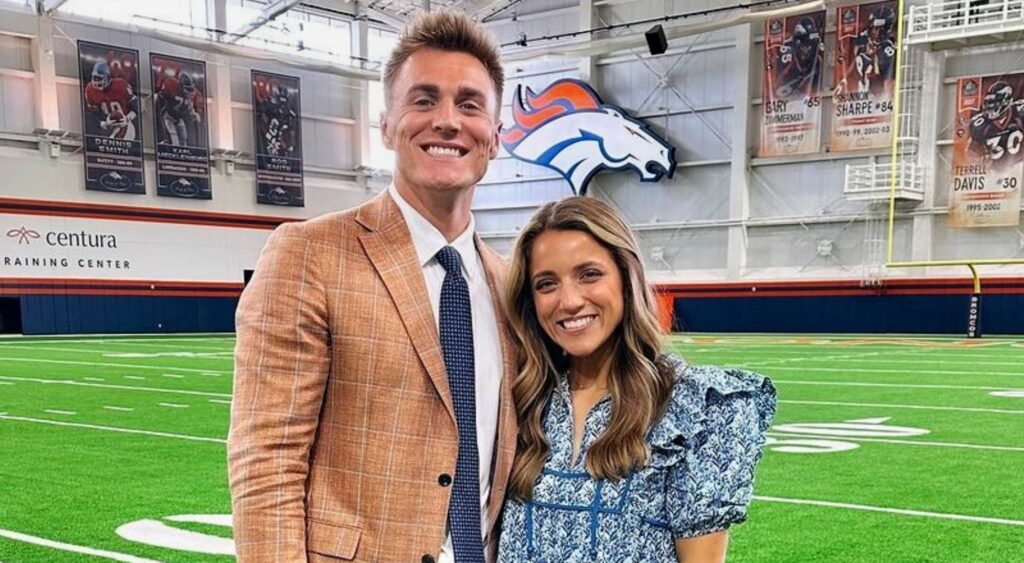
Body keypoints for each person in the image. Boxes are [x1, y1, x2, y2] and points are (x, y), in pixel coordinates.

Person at [228, 10, 516, 563]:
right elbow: (266, 463)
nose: (448, 121)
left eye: (470, 104)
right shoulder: (309, 254)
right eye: (424, 100)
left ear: (496, 137)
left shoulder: (508, 284)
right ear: (387, 125)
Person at [498, 197, 776, 562]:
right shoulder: (521, 399)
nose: (568, 301)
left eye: (589, 274)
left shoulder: (690, 406)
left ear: (626, 278)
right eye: (546, 284)